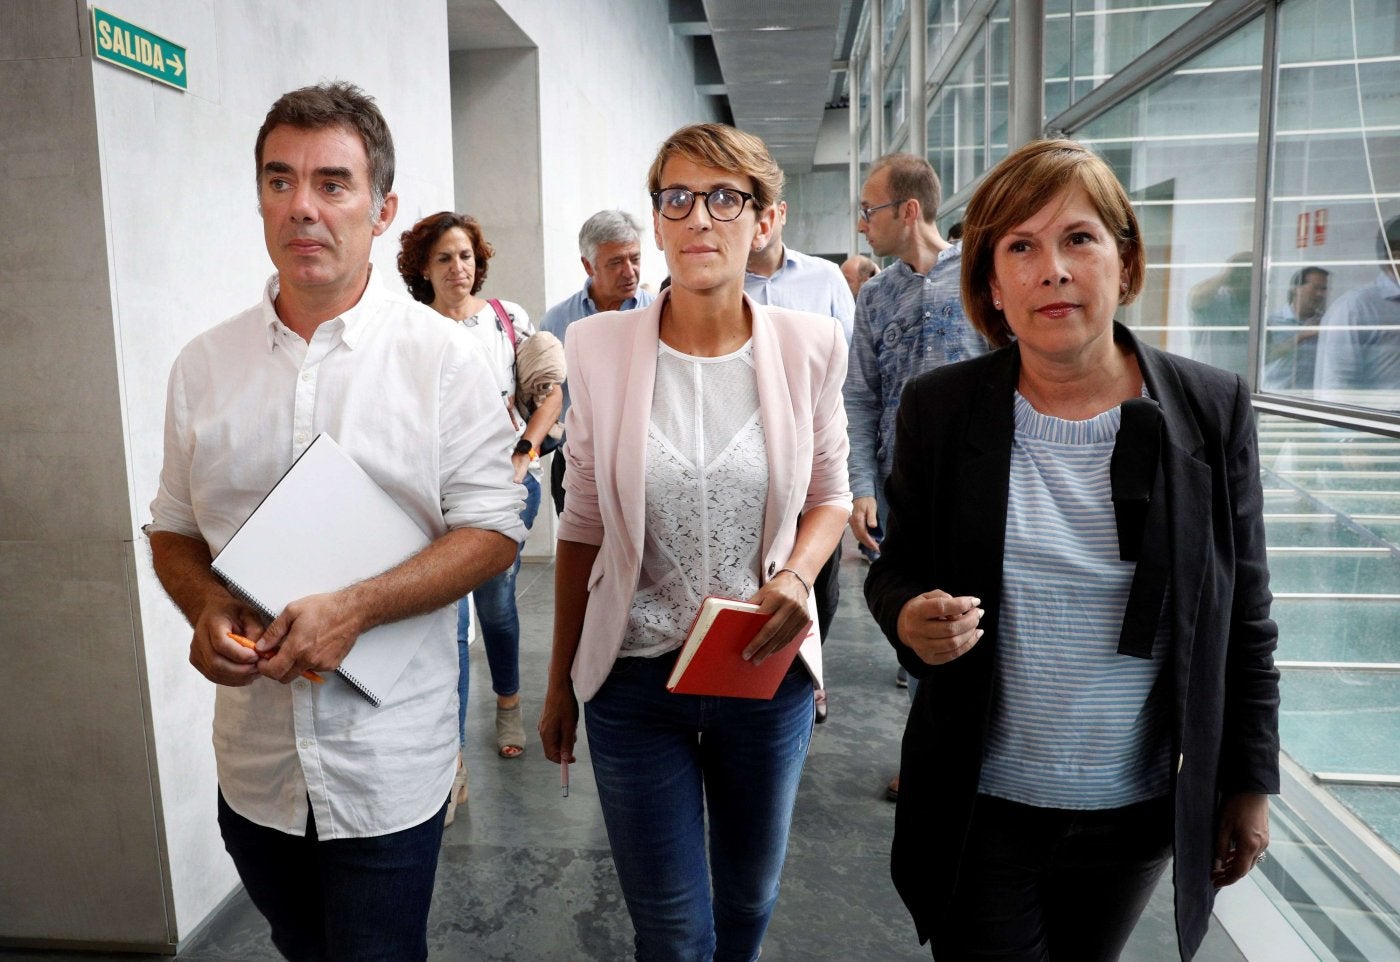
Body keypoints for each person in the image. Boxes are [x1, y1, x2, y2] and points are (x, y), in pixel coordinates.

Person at [864, 138, 1279, 962]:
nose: (1051, 268)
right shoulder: (941, 411)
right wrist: (908, 616)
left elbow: (1246, 614)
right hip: (982, 798)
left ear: (1125, 262)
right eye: (1020, 246)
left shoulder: (1208, 407)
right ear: (990, 281)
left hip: (1135, 807)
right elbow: (896, 568)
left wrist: (1249, 780)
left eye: (1078, 238)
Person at [147, 82, 524, 961]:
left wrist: (356, 608)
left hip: (385, 765)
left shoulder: (444, 361)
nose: (303, 208)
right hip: (256, 770)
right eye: (280, 182)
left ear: (383, 208)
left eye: (332, 183)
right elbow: (171, 528)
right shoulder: (203, 366)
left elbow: (494, 531)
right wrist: (204, 605)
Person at [538, 122, 851, 961]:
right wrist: (562, 679)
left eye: (725, 198)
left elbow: (829, 496)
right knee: (672, 930)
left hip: (762, 669)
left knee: (749, 898)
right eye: (677, 198)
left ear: (764, 220)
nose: (699, 219)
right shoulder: (596, 348)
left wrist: (796, 572)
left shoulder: (810, 346)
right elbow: (583, 527)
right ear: (658, 220)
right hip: (634, 681)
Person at [398, 211, 562, 766]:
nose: (457, 268)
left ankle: (509, 704)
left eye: (465, 256)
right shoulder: (409, 328)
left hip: (508, 483)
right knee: (453, 618)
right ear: (424, 267)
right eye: (443, 258)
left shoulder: (505, 318)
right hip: (436, 491)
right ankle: (455, 756)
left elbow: (550, 395)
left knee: (493, 606)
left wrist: (526, 453)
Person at [844, 153, 985, 564]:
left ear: (909, 210)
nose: (861, 223)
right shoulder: (874, 295)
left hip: (975, 482)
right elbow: (860, 398)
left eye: (869, 210)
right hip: (898, 491)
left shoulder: (980, 277)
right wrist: (862, 487)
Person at [744, 197, 855, 723]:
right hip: (749, 460)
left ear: (779, 213)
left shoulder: (825, 278)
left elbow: (849, 371)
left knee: (819, 581)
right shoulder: (713, 282)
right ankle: (746, 668)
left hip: (815, 453)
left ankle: (807, 670)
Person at [542, 210, 655, 514]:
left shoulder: (659, 316)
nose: (630, 271)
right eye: (616, 262)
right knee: (580, 554)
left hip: (644, 460)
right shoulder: (557, 321)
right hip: (576, 460)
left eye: (635, 258)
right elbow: (546, 394)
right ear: (588, 265)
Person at [1314, 215, 1400, 407]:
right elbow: (1337, 384)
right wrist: (1348, 437)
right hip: (1378, 429)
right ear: (1395, 257)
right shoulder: (1356, 307)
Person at [1262, 266, 1328, 391]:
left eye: (1323, 289)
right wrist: (1301, 336)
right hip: (1276, 397)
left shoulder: (1326, 322)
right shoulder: (1272, 321)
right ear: (1296, 289)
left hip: (1313, 399)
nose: (1320, 294)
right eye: (1315, 288)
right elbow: (1264, 357)